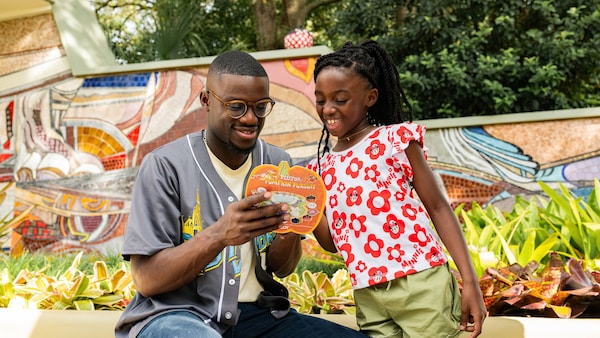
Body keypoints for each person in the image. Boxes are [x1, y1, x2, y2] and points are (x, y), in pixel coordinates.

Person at [115, 50, 367, 338]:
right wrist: (220, 234)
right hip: (176, 316)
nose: (250, 119)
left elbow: (280, 268)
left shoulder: (278, 164)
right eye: (236, 107)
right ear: (206, 101)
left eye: (260, 107)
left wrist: (290, 230)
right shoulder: (165, 166)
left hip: (260, 316)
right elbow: (147, 280)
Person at [308, 40, 487, 338]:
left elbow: (438, 207)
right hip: (368, 293)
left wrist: (470, 281)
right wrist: (308, 209)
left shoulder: (395, 140)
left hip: (421, 283)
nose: (328, 109)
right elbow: (332, 243)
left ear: (371, 97)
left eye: (340, 99)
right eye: (320, 99)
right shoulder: (321, 167)